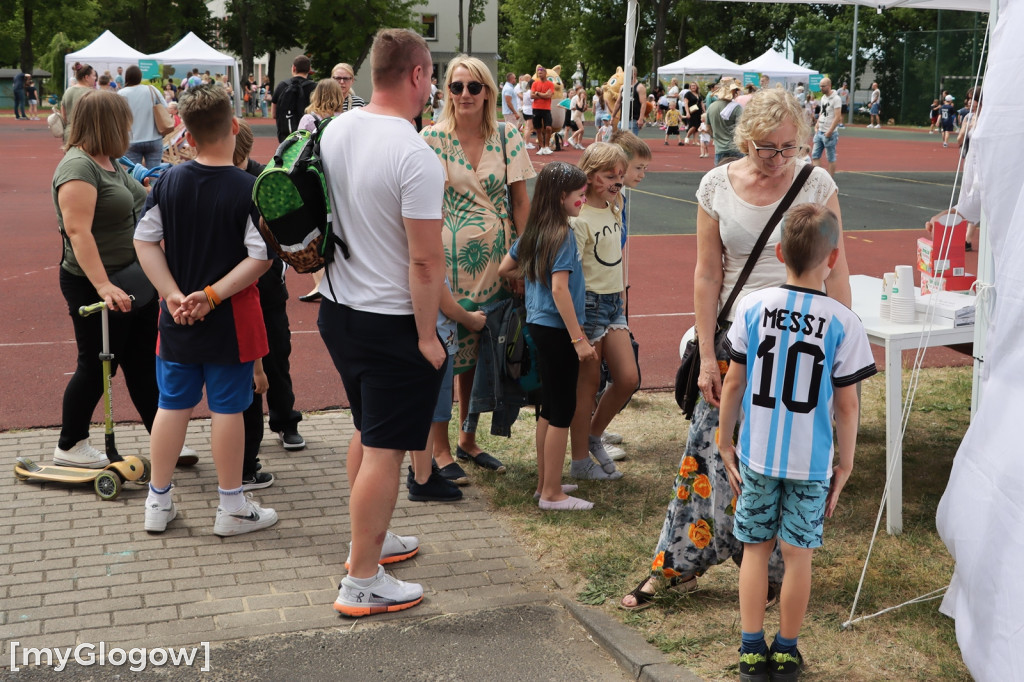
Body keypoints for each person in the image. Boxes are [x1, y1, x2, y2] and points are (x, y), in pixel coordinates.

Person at [619, 87, 852, 611]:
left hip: (797, 345)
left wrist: (843, 350)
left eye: (787, 148)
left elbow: (834, 268)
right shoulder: (714, 185)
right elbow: (707, 274)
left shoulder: (816, 181)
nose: (775, 160)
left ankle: (770, 571)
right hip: (737, 339)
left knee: (783, 459)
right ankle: (677, 563)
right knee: (707, 454)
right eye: (765, 148)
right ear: (744, 140)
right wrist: (705, 354)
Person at [316, 28, 446, 617]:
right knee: (385, 449)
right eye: (433, 76)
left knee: (369, 433)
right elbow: (423, 260)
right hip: (390, 319)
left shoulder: (336, 127)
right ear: (417, 74)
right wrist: (426, 336)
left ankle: (366, 543)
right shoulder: (415, 152)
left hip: (338, 309)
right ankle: (361, 580)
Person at [718, 203, 875, 680]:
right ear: (832, 258)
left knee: (755, 549)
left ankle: (750, 648)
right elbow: (847, 406)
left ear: (780, 250)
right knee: (797, 554)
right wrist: (844, 463)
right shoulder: (844, 322)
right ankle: (786, 650)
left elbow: (733, 383)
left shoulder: (752, 305)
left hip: (759, 454)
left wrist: (726, 441)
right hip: (811, 462)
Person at [133, 84, 277, 537]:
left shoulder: (168, 180)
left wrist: (172, 293)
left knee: (171, 405)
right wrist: (212, 295)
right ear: (234, 127)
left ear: (187, 136)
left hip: (176, 320)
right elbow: (261, 257)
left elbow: (144, 240)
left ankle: (158, 501)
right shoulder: (249, 188)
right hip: (227, 322)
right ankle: (231, 506)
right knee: (227, 410)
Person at [421, 55, 535, 477]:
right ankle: (439, 449)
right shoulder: (430, 138)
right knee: (445, 356)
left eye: (473, 86)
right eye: (456, 86)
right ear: (446, 92)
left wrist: (523, 262)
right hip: (446, 267)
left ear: (488, 91)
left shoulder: (507, 137)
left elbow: (521, 203)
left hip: (496, 267)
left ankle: (468, 439)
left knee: (480, 356)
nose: (465, 94)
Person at [51, 90, 160, 468]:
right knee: (98, 365)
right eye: (125, 122)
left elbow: (134, 201)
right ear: (108, 124)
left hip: (133, 280)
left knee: (144, 364)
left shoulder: (111, 161)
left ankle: (164, 439)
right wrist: (103, 286)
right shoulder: (78, 168)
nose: (130, 128)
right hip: (97, 284)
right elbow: (78, 231)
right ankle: (70, 445)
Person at [498, 162, 597, 510]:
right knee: (561, 410)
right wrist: (578, 339)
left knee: (548, 407)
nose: (583, 200)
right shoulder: (563, 234)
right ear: (560, 197)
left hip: (539, 326)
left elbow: (504, 268)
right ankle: (552, 495)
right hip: (557, 330)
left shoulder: (536, 232)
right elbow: (560, 290)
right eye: (580, 194)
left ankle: (546, 483)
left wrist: (529, 271)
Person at [566, 143, 634, 481]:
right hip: (590, 304)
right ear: (590, 177)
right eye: (610, 176)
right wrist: (577, 323)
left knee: (628, 378)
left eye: (621, 176)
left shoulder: (614, 208)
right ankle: (579, 461)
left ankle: (595, 435)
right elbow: (573, 272)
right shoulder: (578, 218)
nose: (618, 182)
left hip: (613, 304)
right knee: (587, 386)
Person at [405, 282, 487, 500]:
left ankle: (417, 471)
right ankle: (423, 479)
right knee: (431, 414)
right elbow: (447, 305)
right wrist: (472, 319)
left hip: (417, 340)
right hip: (437, 342)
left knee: (420, 412)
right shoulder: (427, 262)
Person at [118, 65, 165, 169]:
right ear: (140, 77)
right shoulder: (151, 90)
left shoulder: (121, 93)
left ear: (127, 77)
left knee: (134, 176)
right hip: (154, 138)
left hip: (131, 140)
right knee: (154, 175)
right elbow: (165, 107)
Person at [272, 55, 317, 142]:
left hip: (286, 136)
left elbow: (274, 114)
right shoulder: (315, 88)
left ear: (293, 68)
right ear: (309, 69)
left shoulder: (282, 85)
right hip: (308, 136)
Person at [707, 80, 744, 165]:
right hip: (735, 148)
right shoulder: (737, 108)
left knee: (720, 176)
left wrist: (716, 137)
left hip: (719, 149)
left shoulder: (711, 107)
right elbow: (742, 128)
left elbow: (708, 128)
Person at [811, 77, 842, 177]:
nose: (821, 88)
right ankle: (819, 178)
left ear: (829, 86)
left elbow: (837, 117)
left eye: (823, 86)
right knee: (815, 155)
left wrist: (830, 131)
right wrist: (817, 124)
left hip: (829, 133)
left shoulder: (836, 99)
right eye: (820, 86)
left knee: (831, 157)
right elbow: (822, 112)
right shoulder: (823, 98)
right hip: (820, 130)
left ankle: (830, 180)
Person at [61, 63, 97, 142]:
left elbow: (64, 116)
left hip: (69, 133)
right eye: (94, 75)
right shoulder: (92, 93)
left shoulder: (68, 91)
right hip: (86, 134)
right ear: (86, 77)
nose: (95, 78)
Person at [531, 65, 555, 155]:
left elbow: (549, 96)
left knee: (548, 128)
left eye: (541, 72)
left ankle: (546, 146)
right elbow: (531, 95)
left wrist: (537, 93)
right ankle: (542, 147)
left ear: (545, 73)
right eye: (538, 73)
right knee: (538, 129)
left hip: (546, 109)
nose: (539, 74)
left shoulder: (550, 84)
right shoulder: (535, 83)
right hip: (536, 108)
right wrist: (543, 94)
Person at [521, 79, 536, 148]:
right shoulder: (530, 93)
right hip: (529, 111)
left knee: (528, 127)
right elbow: (533, 100)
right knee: (528, 128)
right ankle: (526, 143)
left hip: (525, 110)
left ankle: (526, 141)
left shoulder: (526, 92)